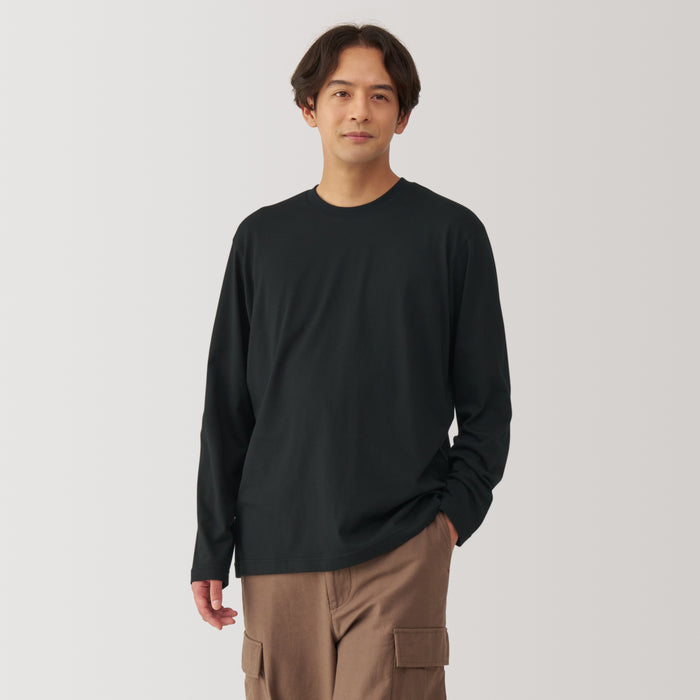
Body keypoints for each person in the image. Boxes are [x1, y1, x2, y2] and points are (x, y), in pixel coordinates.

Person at [190, 23, 512, 700]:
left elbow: (487, 407)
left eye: (380, 95)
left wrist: (445, 526)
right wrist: (212, 543)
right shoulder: (262, 240)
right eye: (341, 93)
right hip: (277, 553)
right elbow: (228, 409)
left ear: (403, 115)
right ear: (309, 108)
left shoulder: (451, 236)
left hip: (402, 548)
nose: (360, 110)